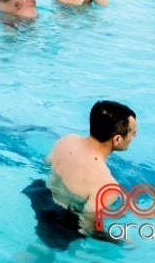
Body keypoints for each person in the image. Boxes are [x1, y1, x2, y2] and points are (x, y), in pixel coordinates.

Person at [45, 100, 138, 238]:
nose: (135, 136)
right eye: (133, 133)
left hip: (43, 199)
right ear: (117, 139)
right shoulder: (106, 185)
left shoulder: (67, 140)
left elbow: (46, 164)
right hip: (62, 223)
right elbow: (88, 227)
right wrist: (120, 241)